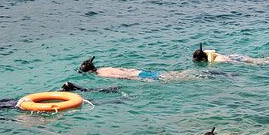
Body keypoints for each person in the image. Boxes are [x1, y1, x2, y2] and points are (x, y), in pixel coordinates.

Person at [0, 84, 121, 114]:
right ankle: (107, 95)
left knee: (60, 105)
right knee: (68, 100)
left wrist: (9, 120)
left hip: (16, 106)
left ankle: (109, 100)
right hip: (16, 100)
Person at [78, 56, 232, 81]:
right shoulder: (105, 67)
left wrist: (141, 81)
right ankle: (210, 73)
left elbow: (122, 78)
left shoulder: (101, 75)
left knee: (181, 78)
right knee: (178, 75)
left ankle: (211, 75)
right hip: (140, 71)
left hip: (142, 77)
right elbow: (125, 71)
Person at [192, 43, 269, 65]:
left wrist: (250, 65)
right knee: (266, 59)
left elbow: (232, 62)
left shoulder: (217, 60)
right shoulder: (210, 54)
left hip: (238, 60)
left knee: (265, 62)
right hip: (237, 56)